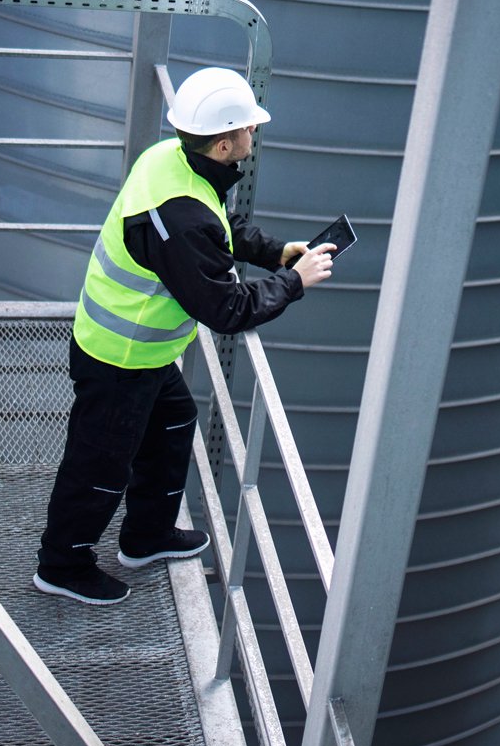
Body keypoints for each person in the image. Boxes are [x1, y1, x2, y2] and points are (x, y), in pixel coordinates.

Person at [35, 67, 336, 604]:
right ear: (225, 143)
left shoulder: (172, 161)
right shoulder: (181, 216)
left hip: (141, 352)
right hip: (120, 358)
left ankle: (145, 537)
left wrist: (276, 252)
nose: (253, 134)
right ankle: (61, 565)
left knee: (174, 422)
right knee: (100, 462)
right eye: (248, 128)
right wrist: (293, 282)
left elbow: (218, 230)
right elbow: (226, 307)